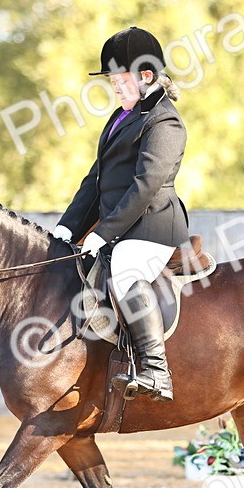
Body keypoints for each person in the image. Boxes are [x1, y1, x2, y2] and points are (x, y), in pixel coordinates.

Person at [52, 26, 188, 402]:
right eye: (112, 82)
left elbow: (146, 185)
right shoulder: (120, 118)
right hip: (121, 227)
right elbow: (95, 182)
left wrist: (102, 231)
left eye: (120, 80)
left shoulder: (164, 121)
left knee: (126, 267)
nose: (114, 88)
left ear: (146, 76)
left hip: (154, 226)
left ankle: (157, 371)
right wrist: (66, 228)